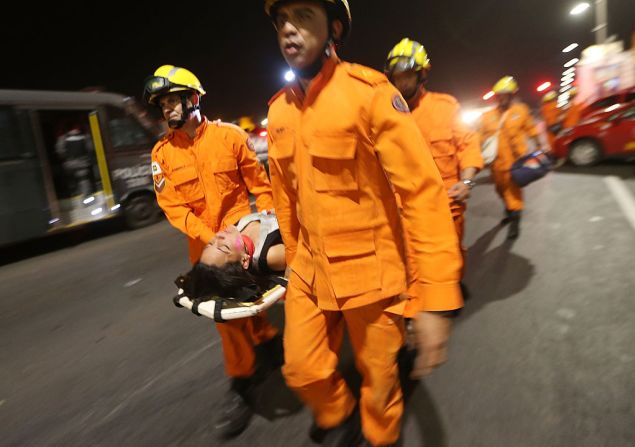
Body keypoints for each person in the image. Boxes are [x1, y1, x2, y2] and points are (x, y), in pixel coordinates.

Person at [264, 1, 464, 446]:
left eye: (303, 17)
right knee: (301, 369)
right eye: (281, 21)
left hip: (372, 274)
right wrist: (294, 263)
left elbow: (422, 194)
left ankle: (380, 436)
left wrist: (433, 299)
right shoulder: (278, 112)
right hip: (310, 271)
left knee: (380, 379)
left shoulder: (369, 93)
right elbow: (285, 199)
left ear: (334, 27)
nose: (289, 30)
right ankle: (338, 415)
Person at [143, 65, 278, 438]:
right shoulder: (162, 154)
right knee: (226, 319)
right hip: (207, 248)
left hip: (244, 239)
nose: (167, 109)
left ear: (193, 99)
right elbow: (173, 208)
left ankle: (269, 345)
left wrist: (267, 224)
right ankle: (242, 383)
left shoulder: (230, 137)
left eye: (173, 100)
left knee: (257, 298)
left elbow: (259, 185)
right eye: (163, 104)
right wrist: (209, 236)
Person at [384, 37, 483, 258]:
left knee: (451, 264)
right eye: (398, 77)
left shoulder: (445, 107)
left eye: (408, 75)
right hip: (405, 214)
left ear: (421, 75)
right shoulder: (385, 115)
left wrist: (466, 181)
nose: (403, 83)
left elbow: (467, 144)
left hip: (446, 209)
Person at [478, 76, 541, 240]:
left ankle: (515, 221)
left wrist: (541, 146)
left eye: (506, 95)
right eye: (500, 95)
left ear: (512, 95)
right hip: (496, 165)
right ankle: (509, 210)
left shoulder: (521, 111)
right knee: (500, 191)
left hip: (516, 163)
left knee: (514, 193)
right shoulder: (487, 116)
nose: (502, 98)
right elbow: (479, 138)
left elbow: (531, 130)